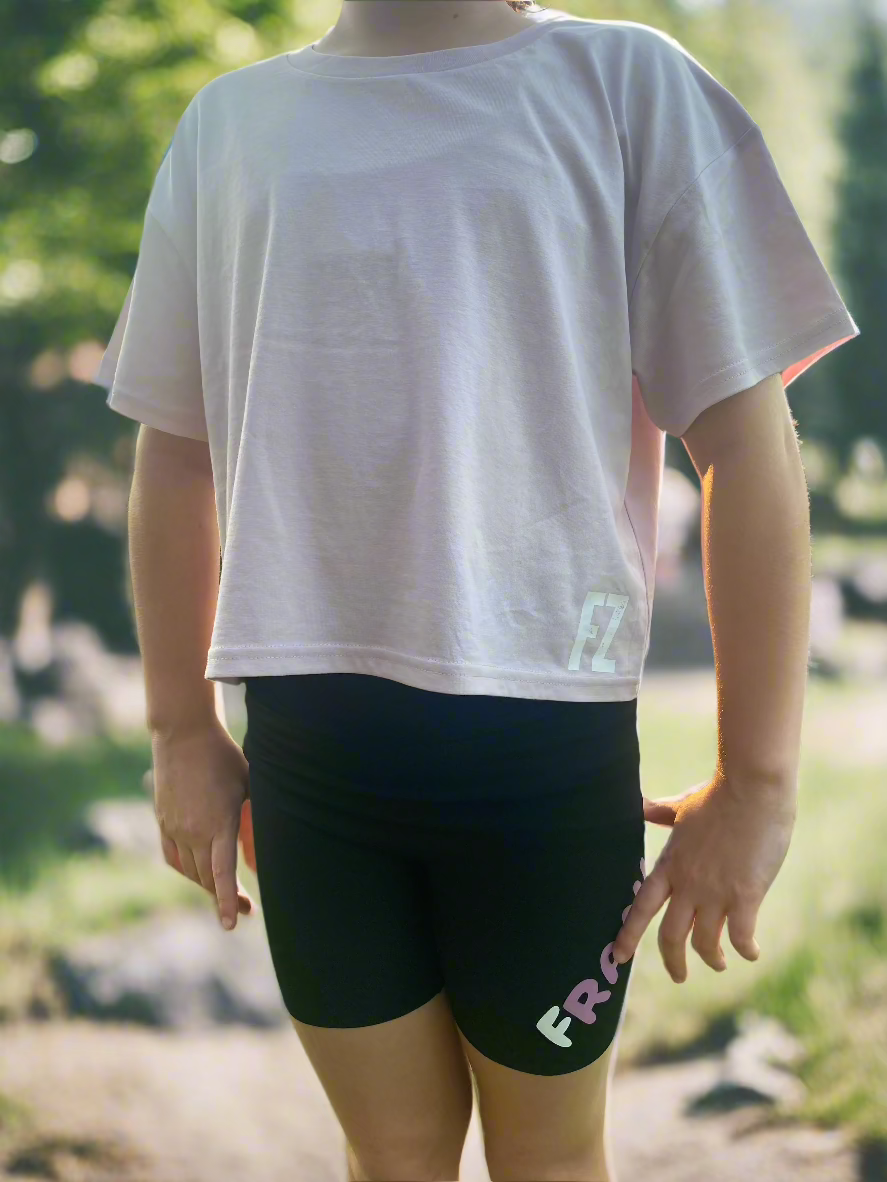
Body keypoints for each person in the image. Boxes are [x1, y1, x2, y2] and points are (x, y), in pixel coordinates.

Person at [92, 2, 860, 1179]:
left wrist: (756, 785)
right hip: (312, 764)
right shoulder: (228, 127)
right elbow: (175, 449)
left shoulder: (625, 88)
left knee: (547, 1161)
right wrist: (178, 731)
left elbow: (746, 446)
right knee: (390, 1158)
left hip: (543, 762)